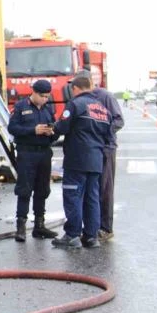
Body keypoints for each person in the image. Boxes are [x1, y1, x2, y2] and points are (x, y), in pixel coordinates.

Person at [51, 73, 112, 248]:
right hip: (96, 160)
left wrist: (51, 130)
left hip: (77, 159)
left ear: (75, 88)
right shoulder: (102, 108)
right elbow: (109, 135)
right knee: (92, 198)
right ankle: (91, 237)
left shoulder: (75, 104)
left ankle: (72, 235)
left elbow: (61, 127)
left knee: (73, 196)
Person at [7, 79, 59, 242]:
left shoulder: (48, 108)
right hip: (26, 153)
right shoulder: (21, 107)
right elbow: (12, 128)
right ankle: (21, 228)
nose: (45, 99)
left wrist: (52, 133)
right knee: (24, 190)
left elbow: (55, 130)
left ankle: (39, 226)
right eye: (42, 96)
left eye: (47, 96)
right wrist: (33, 130)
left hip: (44, 153)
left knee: (42, 190)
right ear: (34, 93)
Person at [82, 73, 124, 241]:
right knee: (91, 190)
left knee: (104, 188)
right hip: (89, 149)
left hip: (105, 149)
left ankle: (106, 228)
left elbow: (119, 121)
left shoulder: (105, 96)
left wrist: (100, 132)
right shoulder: (81, 99)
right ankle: (92, 226)